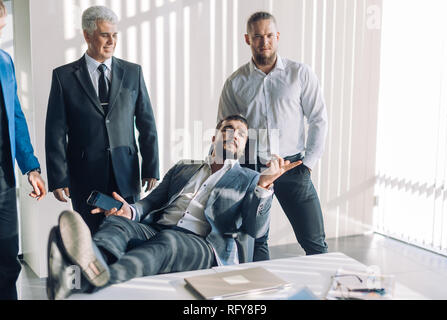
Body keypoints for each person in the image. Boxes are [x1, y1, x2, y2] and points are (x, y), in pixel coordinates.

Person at [46, 115, 301, 300]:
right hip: (156, 228)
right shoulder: (183, 167)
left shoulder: (250, 179)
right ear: (215, 137)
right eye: (228, 129)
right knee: (119, 222)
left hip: (204, 244)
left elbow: (255, 230)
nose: (234, 134)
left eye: (241, 134)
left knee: (169, 241)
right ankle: (93, 262)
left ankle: (98, 283)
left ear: (244, 145)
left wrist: (265, 187)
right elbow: (151, 202)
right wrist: (130, 211)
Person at [218, 12, 328, 259]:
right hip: (252, 170)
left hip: (292, 167)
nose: (263, 41)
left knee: (315, 243)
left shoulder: (300, 74)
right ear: (247, 39)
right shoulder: (235, 83)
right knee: (257, 243)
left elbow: (319, 119)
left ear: (277, 37)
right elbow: (225, 131)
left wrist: (308, 165)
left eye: (269, 35)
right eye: (257, 36)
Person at [45, 6, 159, 234]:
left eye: (114, 35)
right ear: (87, 35)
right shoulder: (64, 77)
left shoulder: (132, 72)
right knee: (90, 240)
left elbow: (147, 123)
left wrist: (151, 167)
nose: (111, 41)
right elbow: (55, 132)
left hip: (126, 174)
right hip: (85, 176)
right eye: (104, 34)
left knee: (128, 237)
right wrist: (58, 178)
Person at [0, 0, 47, 300]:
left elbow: (16, 115)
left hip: (4, 178)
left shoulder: (5, 61)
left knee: (6, 257)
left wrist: (30, 167)